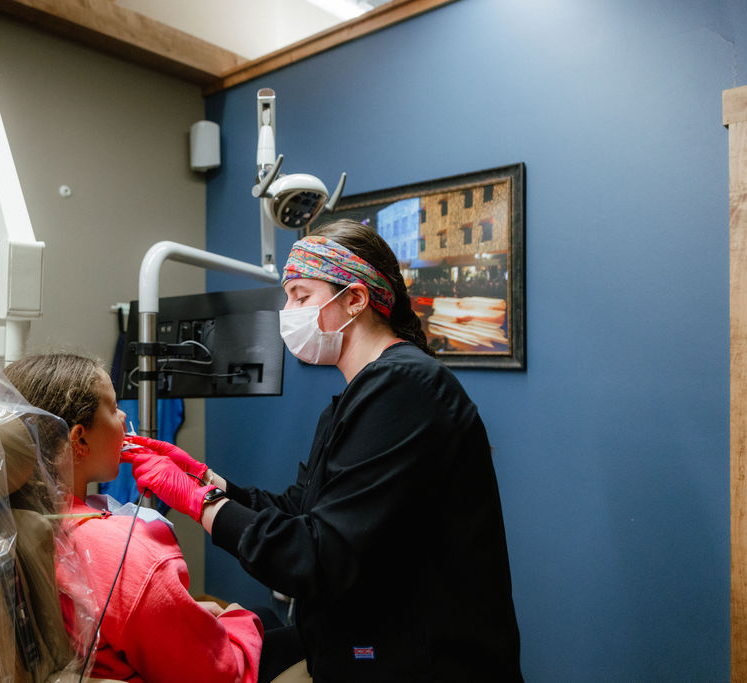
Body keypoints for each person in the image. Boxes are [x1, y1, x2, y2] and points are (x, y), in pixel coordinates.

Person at [127, 219, 523, 681]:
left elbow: (314, 557)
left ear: (355, 299)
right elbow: (302, 514)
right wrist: (207, 480)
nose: (288, 312)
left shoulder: (405, 388)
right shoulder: (358, 397)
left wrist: (203, 504)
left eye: (301, 296)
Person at [4, 353, 263, 683]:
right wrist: (239, 618)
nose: (125, 416)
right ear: (79, 439)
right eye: (113, 408)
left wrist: (202, 476)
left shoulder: (6, 520)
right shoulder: (126, 552)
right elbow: (220, 674)